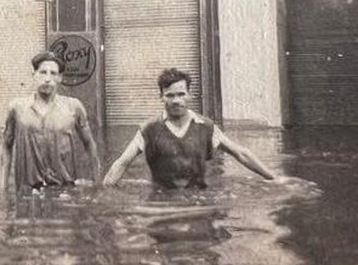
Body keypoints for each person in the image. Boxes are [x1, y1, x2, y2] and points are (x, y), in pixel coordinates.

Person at [103, 68, 294, 189]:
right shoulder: (149, 129)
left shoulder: (206, 127)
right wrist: (103, 192)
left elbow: (240, 153)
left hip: (198, 200)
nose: (176, 100)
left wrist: (274, 178)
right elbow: (122, 163)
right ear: (161, 96)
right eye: (170, 95)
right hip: (161, 203)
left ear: (189, 94)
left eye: (181, 94)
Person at [0, 51, 101, 196]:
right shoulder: (17, 107)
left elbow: (90, 145)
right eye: (43, 72)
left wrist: (97, 185)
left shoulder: (73, 107)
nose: (47, 79)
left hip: (64, 190)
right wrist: (3, 190)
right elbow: (6, 146)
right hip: (27, 191)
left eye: (53, 73)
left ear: (60, 78)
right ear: (34, 74)